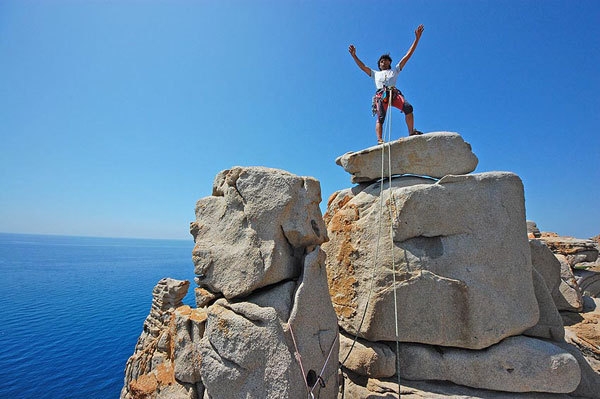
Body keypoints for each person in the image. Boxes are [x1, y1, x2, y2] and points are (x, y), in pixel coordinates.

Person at [349, 24, 424, 144]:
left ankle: (411, 132)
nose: (384, 62)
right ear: (379, 65)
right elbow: (363, 67)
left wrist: (417, 39)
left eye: (386, 61)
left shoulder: (395, 70)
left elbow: (407, 56)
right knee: (380, 117)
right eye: (381, 61)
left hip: (393, 93)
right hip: (381, 95)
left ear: (389, 63)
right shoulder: (375, 73)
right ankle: (379, 139)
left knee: (408, 108)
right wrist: (354, 56)